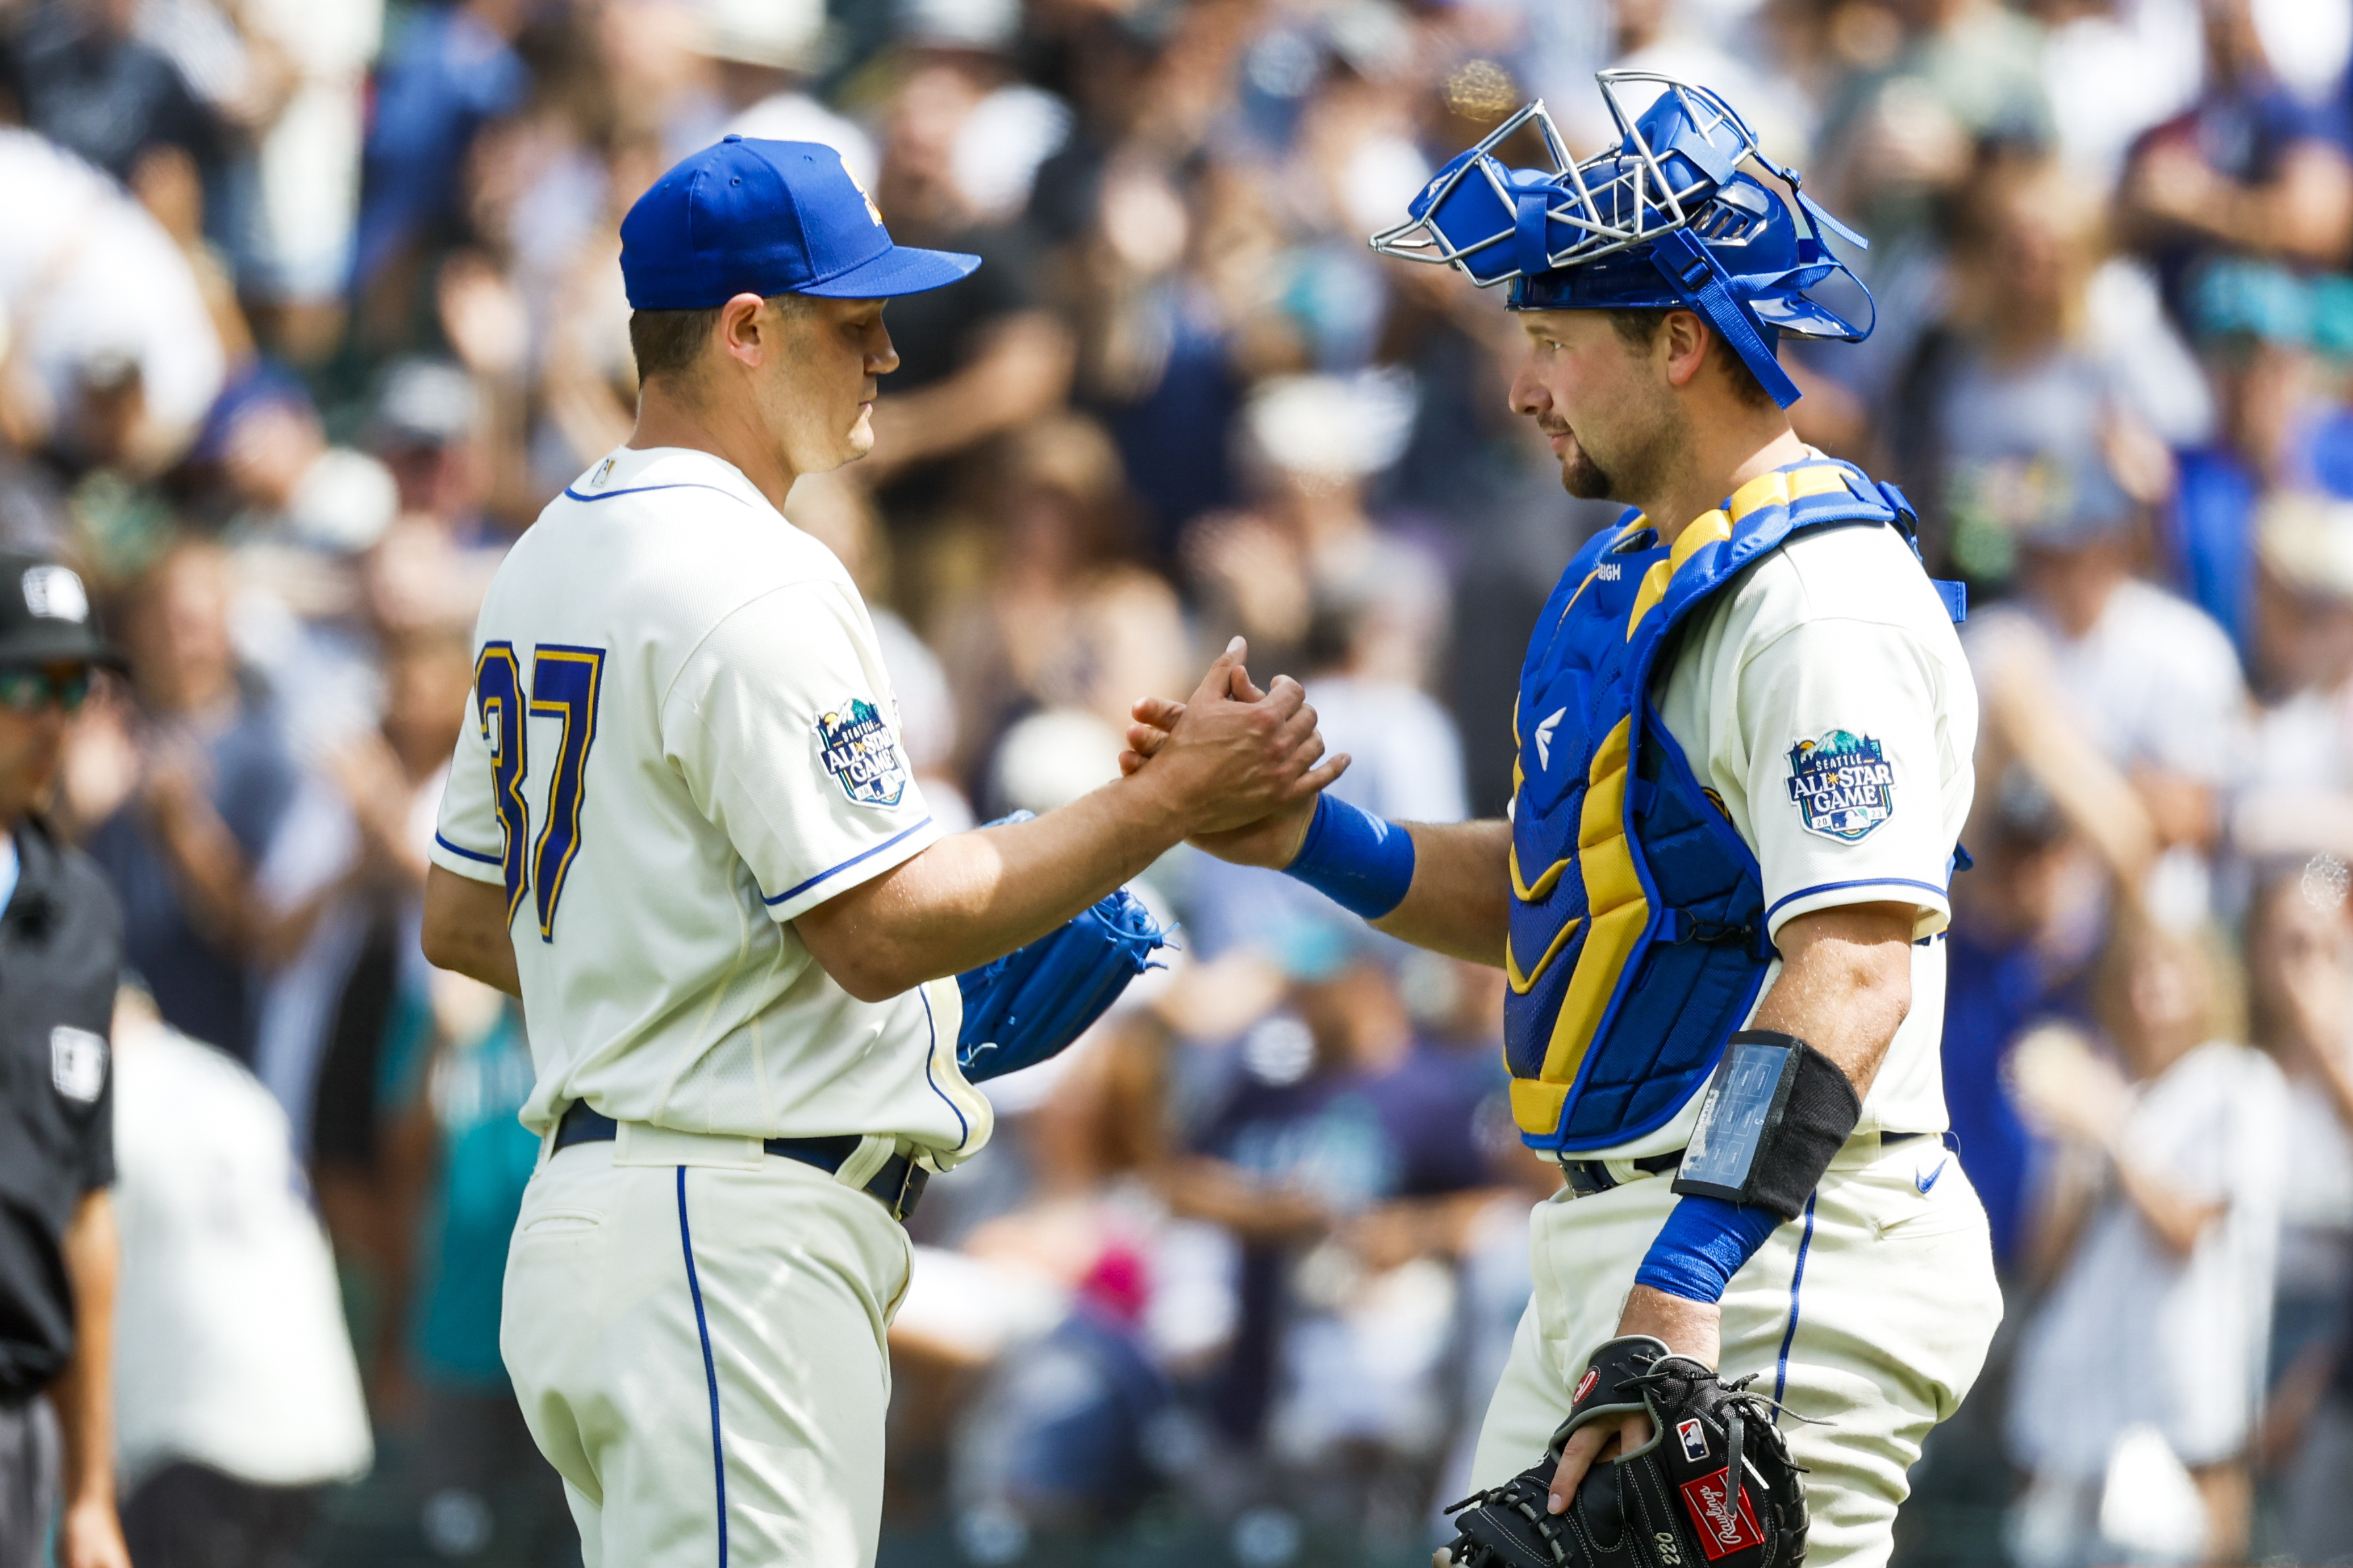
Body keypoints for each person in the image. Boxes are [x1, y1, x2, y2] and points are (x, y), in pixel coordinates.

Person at [415, 135, 1344, 1567]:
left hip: (604, 1220)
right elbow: (879, 930)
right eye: (855, 323)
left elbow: (470, 918)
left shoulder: (544, 553)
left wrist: (758, 1003)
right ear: (744, 331)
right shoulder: (754, 574)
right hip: (725, 1241)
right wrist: (1157, 805)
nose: (890, 355)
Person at [1128, 75, 2001, 1564]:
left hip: (1775, 1257)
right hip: (1624, 1248)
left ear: (1679, 344)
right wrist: (1300, 837)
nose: (1521, 386)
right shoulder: (1631, 574)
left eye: (1551, 344)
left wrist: (1681, 1281)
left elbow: (1850, 966)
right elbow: (1572, 893)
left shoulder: (1815, 602)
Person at [0, 549, 132, 1568]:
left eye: (75, 686)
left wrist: (92, 1493)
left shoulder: (83, 916)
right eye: (26, 682)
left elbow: (88, 1210)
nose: (57, 714)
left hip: (17, 1436)